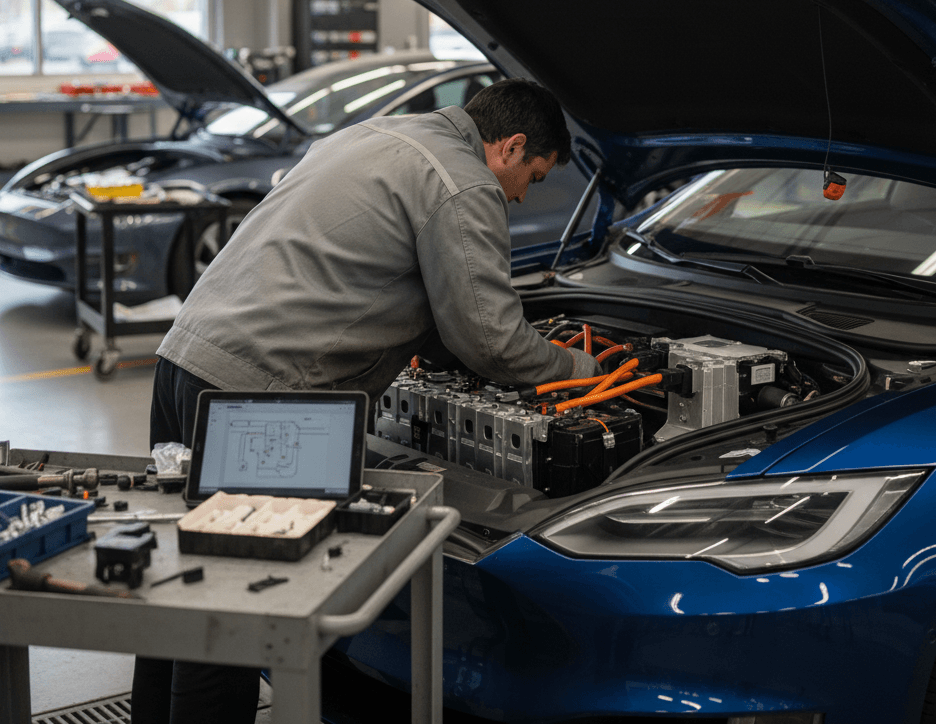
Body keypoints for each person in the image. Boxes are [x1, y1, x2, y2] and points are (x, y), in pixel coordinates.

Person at [130, 77, 598, 724]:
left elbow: (397, 291)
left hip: (187, 359)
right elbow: (491, 342)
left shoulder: (375, 134)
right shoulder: (463, 182)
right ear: (511, 146)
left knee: (181, 580)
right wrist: (578, 367)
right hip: (265, 396)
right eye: (534, 177)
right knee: (234, 614)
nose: (521, 196)